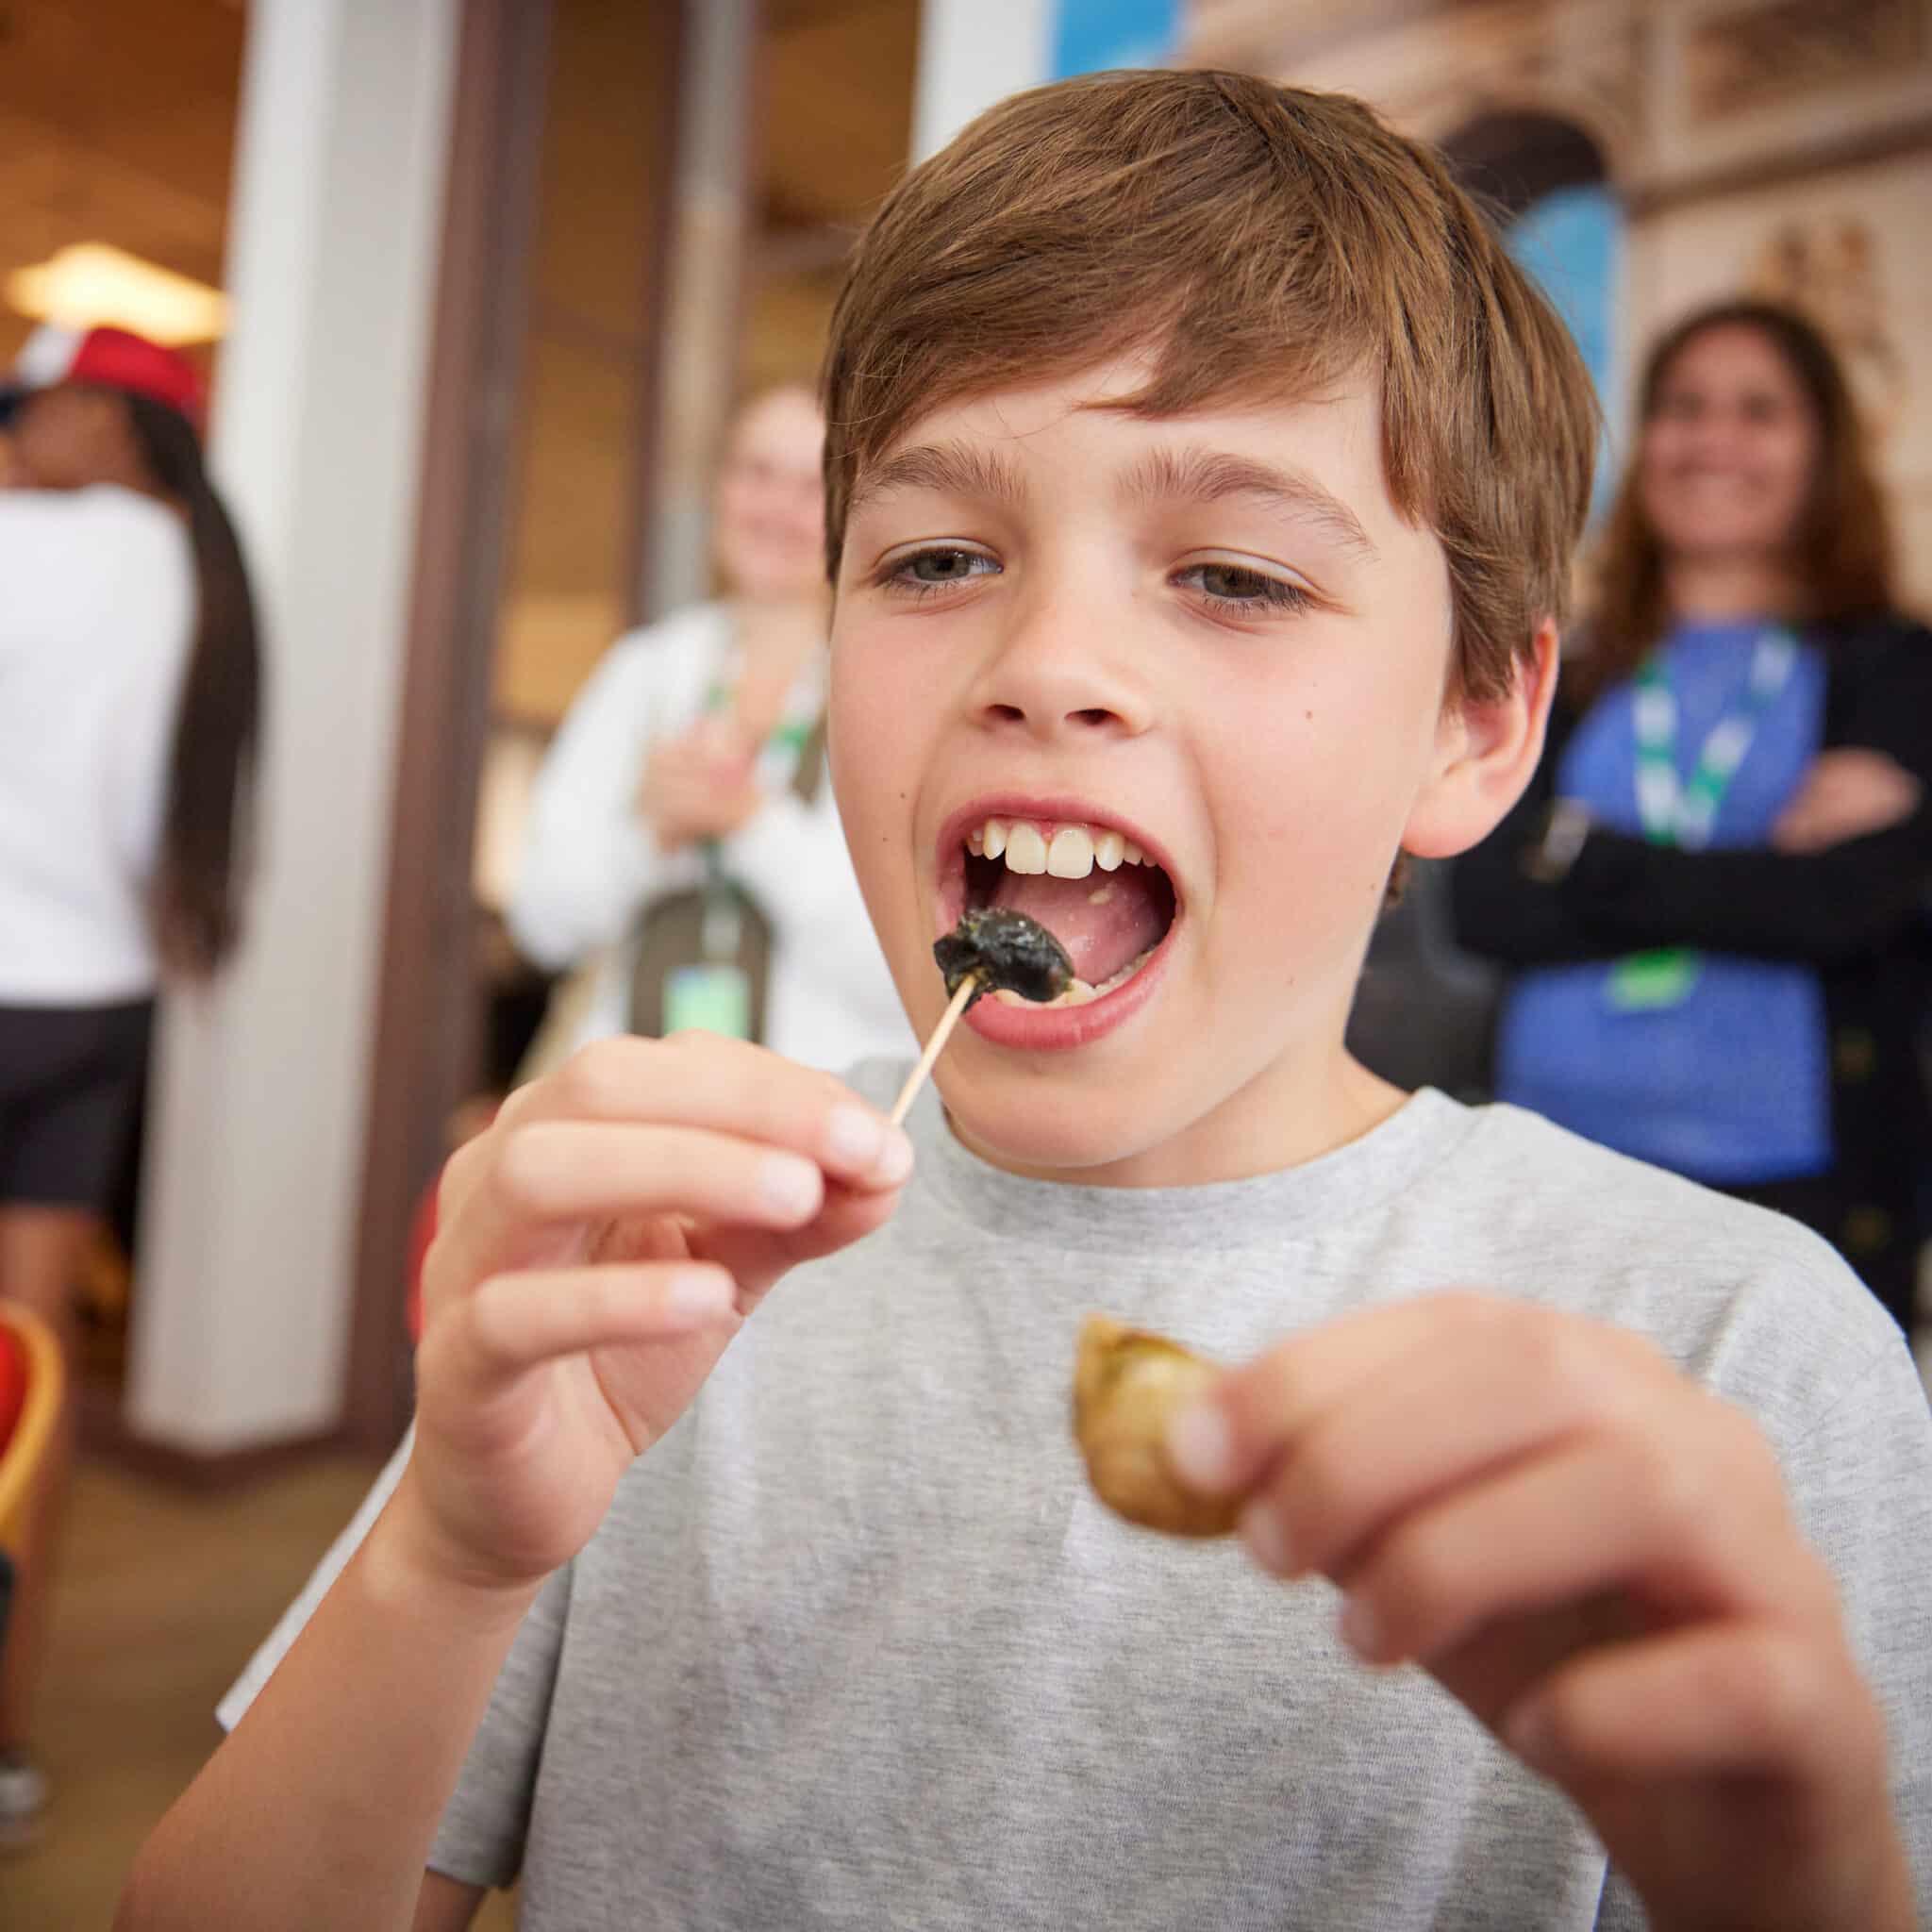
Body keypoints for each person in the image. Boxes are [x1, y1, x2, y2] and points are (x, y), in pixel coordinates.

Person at [120, 74, 1928, 1931]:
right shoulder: (659, 1274)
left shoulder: (1734, 1355)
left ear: (1476, 726)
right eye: (936, 558)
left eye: (1232, 574)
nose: (1047, 661)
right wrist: (444, 1560)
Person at [1453, 300, 1932, 1336]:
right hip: (1552, 1174)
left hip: (1793, 1192)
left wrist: (1575, 854)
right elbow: (1483, 903)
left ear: (1822, 448)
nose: (1712, 439)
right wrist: (1754, 877)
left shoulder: (1893, 668)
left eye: (1758, 410)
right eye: (1681, 407)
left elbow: (1845, 908)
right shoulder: (1570, 667)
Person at [0, 325, 262, 1845]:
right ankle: (8, 1748)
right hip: (97, 1014)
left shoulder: (23, 546)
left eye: (36, 407)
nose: (21, 433)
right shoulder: (203, 584)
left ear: (107, 418)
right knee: (30, 1396)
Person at [506, 384, 909, 1072]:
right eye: (755, 473)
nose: (776, 508)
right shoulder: (645, 673)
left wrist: (751, 822)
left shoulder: (892, 684)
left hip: (818, 1118)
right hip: (632, 1113)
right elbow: (542, 921)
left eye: (808, 484)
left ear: (848, 512)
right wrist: (650, 839)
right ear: (719, 489)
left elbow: (901, 970)